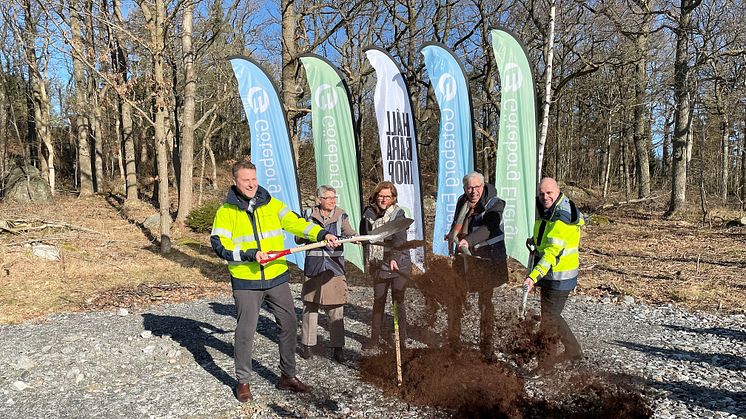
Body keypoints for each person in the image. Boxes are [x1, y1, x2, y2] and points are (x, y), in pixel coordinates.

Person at [210, 160, 340, 403]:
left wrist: (322, 234)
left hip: (276, 277)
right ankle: (243, 381)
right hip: (246, 281)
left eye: (253, 179)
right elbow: (219, 246)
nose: (251, 184)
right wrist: (249, 254)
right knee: (246, 332)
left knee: (289, 324)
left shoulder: (271, 204)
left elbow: (297, 224)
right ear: (235, 182)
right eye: (245, 180)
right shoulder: (226, 212)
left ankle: (287, 376)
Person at [523, 177, 585, 370]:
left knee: (549, 320)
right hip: (552, 275)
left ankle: (546, 366)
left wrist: (533, 277)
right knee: (552, 315)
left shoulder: (561, 219)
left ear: (558, 191)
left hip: (559, 276)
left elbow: (551, 254)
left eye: (549, 193)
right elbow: (545, 235)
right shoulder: (547, 209)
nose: (545, 197)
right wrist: (535, 240)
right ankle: (574, 351)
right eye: (541, 193)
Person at [445, 171, 508, 360]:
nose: (473, 192)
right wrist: (452, 236)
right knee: (454, 296)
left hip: (488, 260)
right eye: (469, 188)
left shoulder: (495, 203)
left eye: (477, 187)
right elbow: (457, 223)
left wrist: (468, 241)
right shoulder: (462, 201)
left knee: (485, 302)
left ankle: (486, 344)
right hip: (464, 257)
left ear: (483, 186)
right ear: (464, 188)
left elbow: (489, 228)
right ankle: (454, 341)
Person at [296, 185, 356, 363]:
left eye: (334, 198)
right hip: (314, 269)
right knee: (310, 307)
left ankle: (338, 348)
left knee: (336, 310)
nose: (333, 201)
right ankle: (307, 345)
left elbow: (349, 233)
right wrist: (309, 234)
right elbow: (298, 237)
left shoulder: (340, 215)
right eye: (329, 198)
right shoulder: (307, 215)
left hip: (334, 269)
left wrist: (356, 238)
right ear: (319, 199)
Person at [360, 181, 411, 350]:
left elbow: (400, 239)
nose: (383, 199)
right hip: (378, 263)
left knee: (398, 302)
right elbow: (364, 234)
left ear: (393, 198)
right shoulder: (368, 213)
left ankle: (401, 341)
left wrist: (394, 258)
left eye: (387, 196)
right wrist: (361, 243)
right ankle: (374, 338)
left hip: (398, 264)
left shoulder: (398, 214)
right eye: (380, 196)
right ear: (375, 197)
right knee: (379, 301)